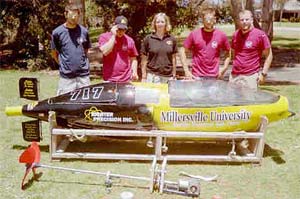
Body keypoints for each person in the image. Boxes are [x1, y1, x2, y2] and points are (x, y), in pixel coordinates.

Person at [51, 3, 91, 95]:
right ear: (65, 14)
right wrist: (62, 64)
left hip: (83, 77)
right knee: (65, 104)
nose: (73, 17)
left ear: (79, 15)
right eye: (71, 14)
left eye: (76, 14)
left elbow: (85, 50)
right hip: (67, 78)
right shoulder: (57, 32)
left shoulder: (84, 31)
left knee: (86, 103)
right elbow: (54, 53)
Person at [179, 8, 231, 80]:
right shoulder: (194, 34)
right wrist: (186, 71)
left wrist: (224, 68)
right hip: (197, 76)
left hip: (215, 77)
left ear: (214, 19)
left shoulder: (221, 35)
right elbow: (182, 50)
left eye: (210, 18)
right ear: (202, 20)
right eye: (206, 19)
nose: (208, 21)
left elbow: (228, 52)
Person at [229, 10, 273, 90]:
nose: (244, 22)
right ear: (239, 21)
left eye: (247, 19)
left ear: (252, 20)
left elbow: (269, 55)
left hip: (250, 76)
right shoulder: (236, 35)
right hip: (234, 75)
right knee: (233, 101)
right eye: (242, 20)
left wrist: (263, 74)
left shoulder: (260, 35)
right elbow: (233, 52)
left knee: (250, 101)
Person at [98, 16, 138, 83]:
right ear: (114, 26)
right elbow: (105, 52)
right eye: (119, 29)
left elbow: (133, 58)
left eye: (123, 29)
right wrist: (113, 35)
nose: (121, 31)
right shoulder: (104, 37)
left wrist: (134, 71)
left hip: (126, 79)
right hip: (109, 79)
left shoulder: (129, 40)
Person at [140, 13, 178, 83]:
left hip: (168, 76)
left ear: (166, 24)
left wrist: (174, 74)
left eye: (162, 22)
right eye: (158, 22)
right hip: (152, 76)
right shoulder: (148, 38)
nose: (160, 24)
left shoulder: (172, 39)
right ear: (154, 24)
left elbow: (173, 58)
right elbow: (144, 58)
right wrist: (144, 76)